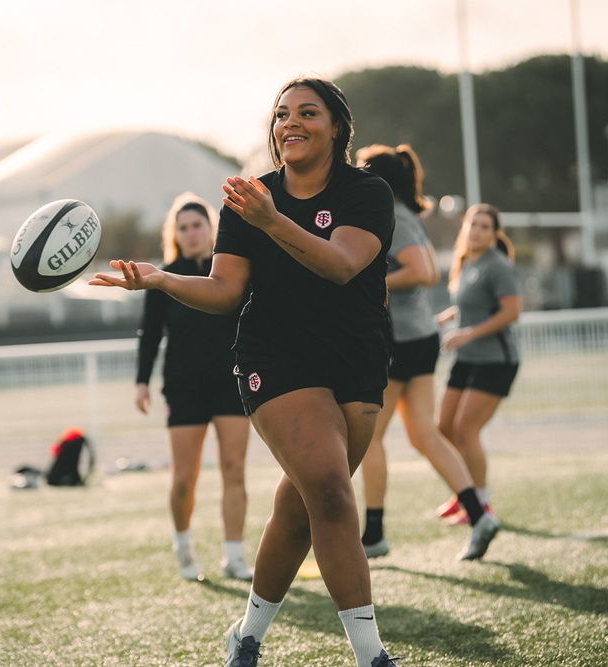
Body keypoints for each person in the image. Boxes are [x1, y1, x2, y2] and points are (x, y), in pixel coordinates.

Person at [93, 76, 404, 667]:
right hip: (276, 359)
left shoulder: (368, 192)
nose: (291, 122)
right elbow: (224, 291)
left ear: (336, 127)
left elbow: (341, 265)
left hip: (357, 358)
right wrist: (161, 279)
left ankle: (247, 635)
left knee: (302, 505)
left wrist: (271, 220)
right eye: (283, 113)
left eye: (308, 113)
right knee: (335, 494)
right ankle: (372, 657)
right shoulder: (249, 199)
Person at [354, 144, 499, 561]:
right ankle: (479, 512)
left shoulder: (395, 216)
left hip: (400, 340)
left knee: (370, 438)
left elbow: (423, 272)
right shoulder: (404, 215)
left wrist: (367, 284)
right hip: (417, 338)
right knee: (422, 434)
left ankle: (375, 534)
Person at [134, 192, 253, 582]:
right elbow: (149, 335)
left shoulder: (232, 273)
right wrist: (141, 382)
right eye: (183, 228)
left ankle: (234, 556)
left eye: (197, 225)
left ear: (210, 229)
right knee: (184, 478)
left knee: (234, 469)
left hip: (230, 383)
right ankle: (183, 545)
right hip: (183, 387)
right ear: (176, 234)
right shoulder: (161, 277)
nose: (191, 233)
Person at [435, 203, 522, 524]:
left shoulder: (497, 265)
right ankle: (464, 493)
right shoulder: (466, 263)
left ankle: (482, 505)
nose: (477, 231)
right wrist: (448, 316)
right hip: (467, 358)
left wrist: (467, 334)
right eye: (473, 224)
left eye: (485, 226)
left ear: (494, 234)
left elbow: (510, 312)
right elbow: (472, 304)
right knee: (443, 427)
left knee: (465, 429)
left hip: (495, 360)